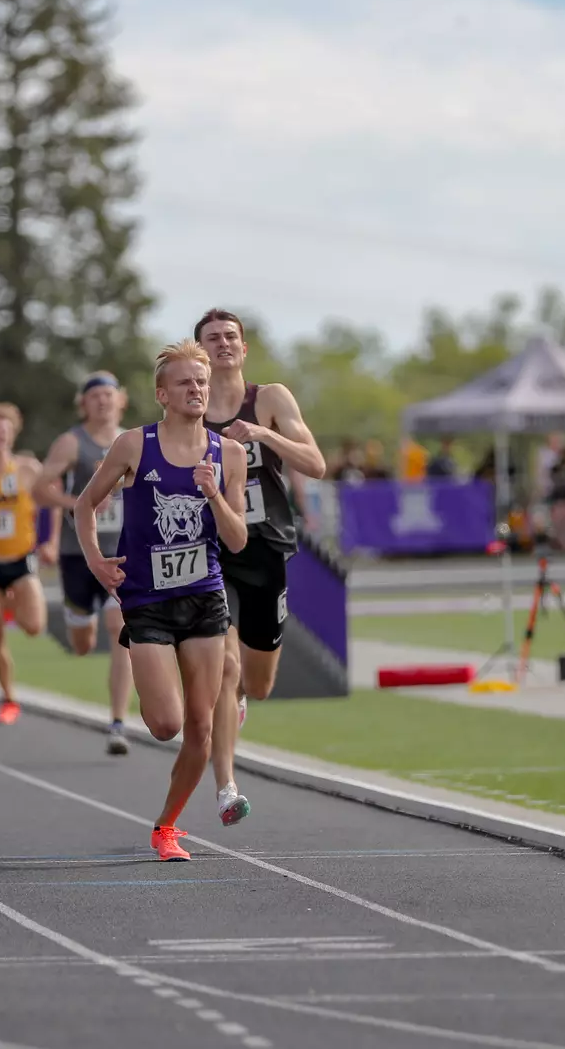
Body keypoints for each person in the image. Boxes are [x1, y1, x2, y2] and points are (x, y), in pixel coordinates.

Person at [74, 339, 249, 861]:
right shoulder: (134, 445)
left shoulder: (229, 454)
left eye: (201, 381)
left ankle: (166, 828)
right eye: (184, 383)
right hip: (147, 599)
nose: (196, 389)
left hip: (204, 596)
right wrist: (97, 560)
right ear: (162, 394)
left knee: (199, 726)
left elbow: (237, 540)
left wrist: (214, 494)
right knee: (166, 725)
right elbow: (84, 505)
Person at [195, 309, 327, 827]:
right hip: (215, 549)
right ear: (200, 349)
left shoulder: (270, 398)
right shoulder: (191, 405)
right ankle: (227, 788)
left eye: (231, 337)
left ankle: (242, 699)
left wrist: (263, 436)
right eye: (213, 338)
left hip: (267, 547)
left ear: (244, 349)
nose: (223, 344)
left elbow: (315, 464)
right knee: (224, 668)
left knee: (257, 681)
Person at [36, 372, 136, 754]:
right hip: (78, 554)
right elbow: (39, 488)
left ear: (121, 400)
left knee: (120, 629)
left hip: (122, 553)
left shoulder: (132, 442)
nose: (102, 402)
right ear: (84, 403)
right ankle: (79, 622)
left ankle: (117, 723)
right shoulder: (71, 443)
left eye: (109, 395)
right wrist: (82, 502)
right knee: (82, 643)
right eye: (94, 396)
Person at [0, 402, 51, 724]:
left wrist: (51, 541)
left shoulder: (28, 468)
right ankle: (8, 698)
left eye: (6, 428)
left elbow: (52, 502)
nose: (1, 434)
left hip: (21, 558)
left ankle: (12, 605)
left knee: (33, 626)